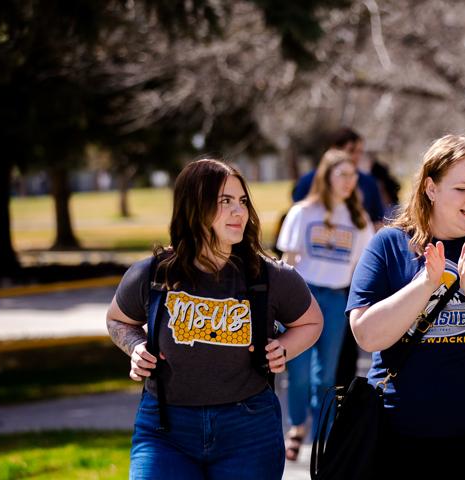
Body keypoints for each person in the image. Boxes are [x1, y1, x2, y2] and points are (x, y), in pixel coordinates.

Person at [106, 157, 323, 479]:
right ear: (194, 206)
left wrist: (284, 348)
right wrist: (135, 346)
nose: (239, 212)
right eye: (225, 202)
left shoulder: (270, 276)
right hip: (165, 428)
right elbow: (118, 320)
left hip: (249, 428)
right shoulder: (151, 274)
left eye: (243, 201)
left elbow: (311, 322)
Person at [347, 135, 465, 479]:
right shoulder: (388, 245)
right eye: (462, 188)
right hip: (398, 430)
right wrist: (425, 284)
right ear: (431, 188)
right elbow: (367, 335)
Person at [275, 150, 375, 460]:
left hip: (335, 298)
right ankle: (295, 428)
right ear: (326, 176)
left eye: (353, 175)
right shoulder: (303, 213)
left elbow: (363, 269)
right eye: (342, 174)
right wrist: (278, 304)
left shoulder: (358, 220)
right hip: (301, 297)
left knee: (326, 376)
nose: (349, 181)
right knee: (300, 372)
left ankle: (324, 441)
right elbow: (286, 262)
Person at [291, 127, 384, 391]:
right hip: (306, 288)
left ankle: (331, 423)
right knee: (301, 368)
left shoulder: (366, 184)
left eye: (359, 154)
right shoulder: (308, 186)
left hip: (341, 287)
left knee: (336, 364)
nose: (355, 159)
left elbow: (374, 227)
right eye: (352, 151)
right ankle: (301, 424)